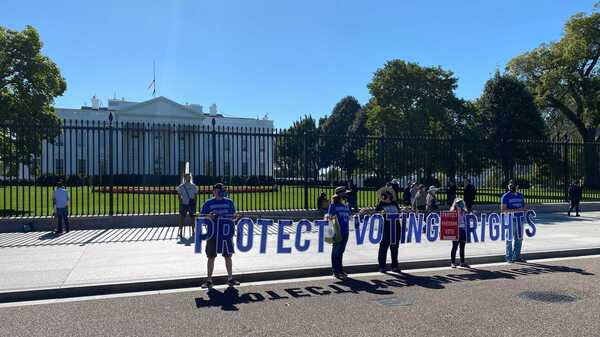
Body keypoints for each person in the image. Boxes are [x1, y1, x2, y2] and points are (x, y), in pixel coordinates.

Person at [200, 183, 240, 288]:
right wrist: (208, 217)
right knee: (211, 256)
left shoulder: (229, 202)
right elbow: (202, 218)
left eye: (222, 191)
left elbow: (232, 217)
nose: (221, 193)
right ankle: (209, 280)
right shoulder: (208, 203)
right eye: (219, 191)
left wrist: (235, 217)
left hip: (226, 234)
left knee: (228, 256)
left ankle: (230, 278)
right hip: (212, 233)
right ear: (214, 191)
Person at [375, 186, 401, 273]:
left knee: (394, 248)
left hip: (395, 228)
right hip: (385, 229)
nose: (384, 197)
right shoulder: (381, 204)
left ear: (390, 196)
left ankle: (394, 265)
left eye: (385, 195)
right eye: (383, 196)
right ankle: (382, 266)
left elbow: (399, 213)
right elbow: (376, 213)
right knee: (383, 247)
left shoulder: (394, 203)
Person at [328, 186, 351, 280]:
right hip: (337, 232)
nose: (347, 195)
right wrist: (333, 232)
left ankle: (340, 269)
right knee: (336, 251)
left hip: (346, 232)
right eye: (345, 193)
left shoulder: (345, 205)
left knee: (341, 251)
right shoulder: (333, 206)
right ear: (341, 194)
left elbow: (349, 217)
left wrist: (359, 214)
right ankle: (336, 271)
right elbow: (330, 218)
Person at [501, 182, 527, 263]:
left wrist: (524, 209)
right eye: (510, 186)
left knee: (519, 239)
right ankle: (509, 257)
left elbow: (523, 206)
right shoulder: (506, 196)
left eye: (513, 186)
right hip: (510, 220)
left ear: (517, 186)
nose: (511, 187)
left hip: (520, 219)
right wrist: (517, 210)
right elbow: (503, 209)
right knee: (509, 239)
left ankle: (517, 256)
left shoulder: (520, 195)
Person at [176, 173, 199, 238]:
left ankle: (193, 231)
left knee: (192, 218)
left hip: (191, 204)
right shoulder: (181, 186)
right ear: (185, 178)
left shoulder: (193, 186)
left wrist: (194, 203)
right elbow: (179, 195)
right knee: (182, 218)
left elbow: (195, 196)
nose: (188, 178)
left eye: (189, 177)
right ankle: (180, 231)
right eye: (187, 177)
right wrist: (181, 202)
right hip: (184, 204)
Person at [449, 198, 468, 268]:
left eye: (461, 203)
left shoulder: (464, 211)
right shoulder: (453, 211)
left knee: (462, 247)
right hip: (456, 231)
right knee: (455, 247)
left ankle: (462, 262)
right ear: (456, 204)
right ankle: (453, 262)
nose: (460, 204)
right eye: (458, 203)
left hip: (463, 230)